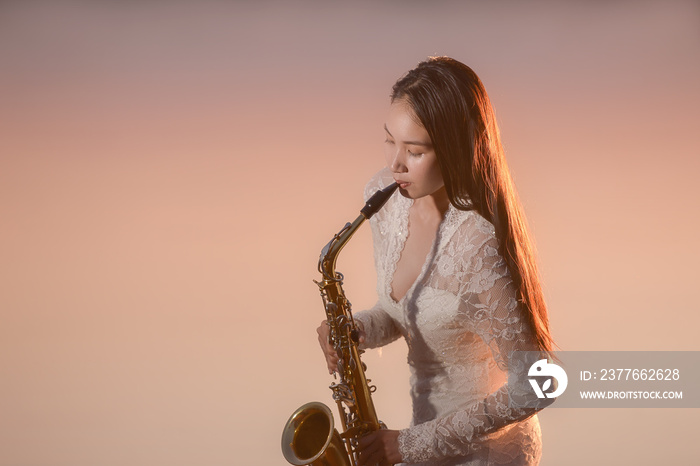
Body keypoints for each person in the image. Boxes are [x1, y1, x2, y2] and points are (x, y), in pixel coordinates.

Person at [317, 56, 555, 466]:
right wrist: (354, 331)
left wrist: (407, 446)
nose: (395, 164)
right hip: (422, 441)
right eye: (390, 140)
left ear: (455, 150)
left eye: (415, 150)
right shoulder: (386, 200)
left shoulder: (478, 243)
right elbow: (402, 313)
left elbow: (540, 385)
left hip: (487, 454)